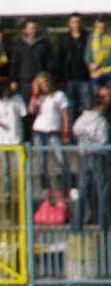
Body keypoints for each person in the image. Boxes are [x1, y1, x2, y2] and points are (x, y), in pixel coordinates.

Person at [29, 72, 73, 197]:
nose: (45, 85)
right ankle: (45, 189)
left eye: (46, 82)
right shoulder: (39, 98)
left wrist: (66, 133)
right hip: (39, 129)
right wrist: (35, 93)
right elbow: (31, 110)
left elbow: (65, 115)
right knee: (42, 161)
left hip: (54, 130)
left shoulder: (59, 95)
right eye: (41, 84)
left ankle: (69, 187)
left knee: (61, 159)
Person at [70, 96, 110, 231]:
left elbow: (75, 130)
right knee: (103, 190)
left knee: (83, 190)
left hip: (84, 154)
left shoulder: (81, 120)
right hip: (99, 155)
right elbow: (103, 140)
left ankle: (76, 226)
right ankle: (104, 226)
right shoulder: (100, 120)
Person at [0, 82, 28, 198]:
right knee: (5, 168)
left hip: (16, 137)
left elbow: (24, 115)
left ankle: (23, 189)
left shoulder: (17, 99)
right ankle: (7, 191)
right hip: (2, 139)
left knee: (20, 166)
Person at [10, 20, 54, 103]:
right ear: (25, 30)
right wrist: (13, 80)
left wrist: (47, 78)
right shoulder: (19, 46)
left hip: (40, 82)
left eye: (35, 28)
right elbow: (14, 64)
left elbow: (49, 63)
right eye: (30, 28)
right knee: (25, 108)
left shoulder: (44, 45)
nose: (33, 30)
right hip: (24, 82)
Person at [58, 13, 92, 118]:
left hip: (85, 78)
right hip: (69, 78)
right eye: (74, 22)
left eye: (78, 21)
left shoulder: (88, 37)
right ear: (69, 23)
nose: (76, 24)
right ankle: (71, 132)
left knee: (87, 106)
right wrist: (60, 78)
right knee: (71, 108)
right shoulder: (64, 39)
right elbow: (60, 59)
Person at [85, 15, 111, 89]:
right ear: (95, 23)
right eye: (100, 22)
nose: (102, 25)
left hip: (109, 73)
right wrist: (91, 65)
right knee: (96, 98)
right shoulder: (92, 37)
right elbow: (88, 55)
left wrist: (100, 63)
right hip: (96, 74)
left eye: (104, 22)